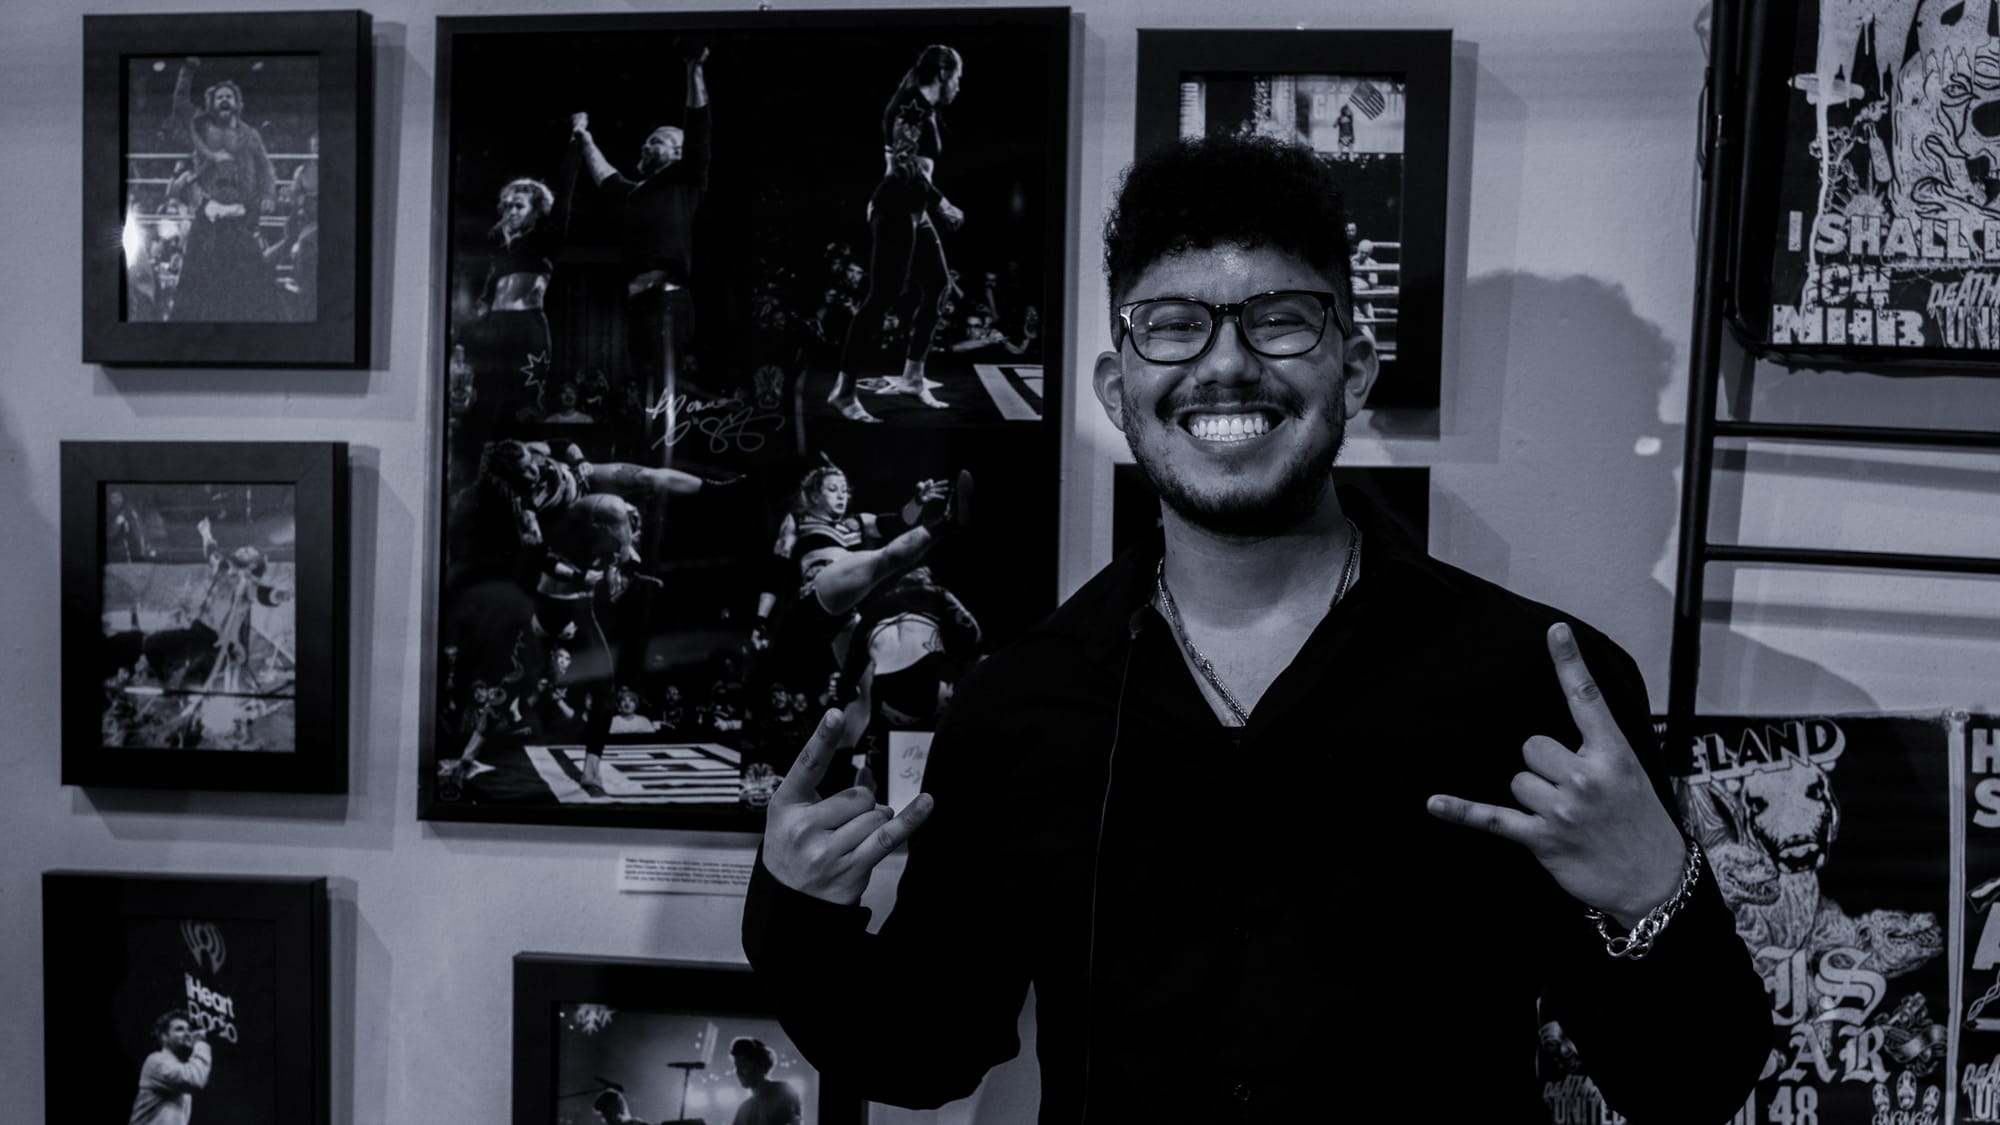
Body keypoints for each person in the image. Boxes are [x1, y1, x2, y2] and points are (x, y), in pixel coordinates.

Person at [742, 133, 1771, 1122]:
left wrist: (1655, 892)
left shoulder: (1536, 684)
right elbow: (925, 1051)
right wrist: (795, 910)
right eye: (1172, 325)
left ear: (1353, 370)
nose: (1226, 363)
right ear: (1118, 388)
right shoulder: (1016, 707)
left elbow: (1689, 1085)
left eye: (1279, 321)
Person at [825, 45, 968, 422]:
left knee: (938, 286)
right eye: (957, 78)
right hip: (895, 208)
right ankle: (843, 391)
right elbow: (904, 165)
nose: (958, 86)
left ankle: (912, 377)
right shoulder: (911, 106)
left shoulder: (923, 108)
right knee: (880, 297)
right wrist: (942, 203)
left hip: (913, 209)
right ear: (942, 73)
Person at [567, 46, 712, 412]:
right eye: (648, 140)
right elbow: (605, 177)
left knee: (663, 393)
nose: (646, 145)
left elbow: (698, 125)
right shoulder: (636, 194)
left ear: (677, 153)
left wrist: (693, 70)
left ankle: (670, 445)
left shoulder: (685, 179)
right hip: (639, 306)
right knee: (641, 392)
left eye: (656, 141)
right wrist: (585, 138)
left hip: (667, 303)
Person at [167, 75, 282, 321]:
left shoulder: (250, 135)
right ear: (212, 103)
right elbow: (179, 105)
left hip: (240, 216)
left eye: (229, 96)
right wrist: (187, 71)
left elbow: (265, 167)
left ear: (237, 102)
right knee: (198, 282)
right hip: (209, 215)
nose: (224, 100)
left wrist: (269, 194)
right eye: (219, 97)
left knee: (249, 281)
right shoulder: (201, 127)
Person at [129, 1010, 212, 1125]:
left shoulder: (180, 1067)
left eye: (189, 1029)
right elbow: (195, 1078)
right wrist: (201, 1043)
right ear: (164, 1037)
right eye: (180, 1029)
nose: (188, 1034)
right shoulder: (156, 1061)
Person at [729, 1037, 802, 1125]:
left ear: (760, 1064)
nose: (738, 1071)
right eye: (736, 1066)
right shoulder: (744, 1109)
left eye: (743, 1064)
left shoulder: (782, 1092)